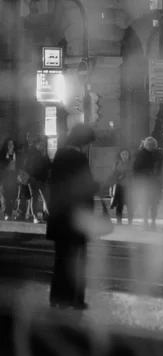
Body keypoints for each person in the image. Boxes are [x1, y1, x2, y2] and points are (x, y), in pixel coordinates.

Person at [46, 123, 98, 310]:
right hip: (76, 217)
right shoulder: (78, 158)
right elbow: (85, 187)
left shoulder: (60, 155)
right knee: (77, 260)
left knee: (61, 259)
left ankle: (58, 297)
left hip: (60, 216)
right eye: (89, 142)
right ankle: (75, 299)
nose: (89, 146)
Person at [133, 137, 162, 229]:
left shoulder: (158, 154)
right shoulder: (140, 154)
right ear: (145, 145)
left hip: (155, 184)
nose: (150, 146)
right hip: (144, 184)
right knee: (145, 204)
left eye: (152, 145)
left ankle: (153, 222)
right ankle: (145, 222)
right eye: (148, 144)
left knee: (154, 205)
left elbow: (161, 168)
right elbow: (135, 169)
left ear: (155, 145)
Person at [23, 137, 51, 224]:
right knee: (34, 198)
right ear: (37, 144)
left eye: (44, 144)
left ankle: (48, 216)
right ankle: (35, 217)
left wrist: (45, 156)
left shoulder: (44, 154)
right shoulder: (32, 153)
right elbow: (28, 166)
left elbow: (48, 165)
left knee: (47, 198)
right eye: (41, 144)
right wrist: (30, 177)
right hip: (34, 179)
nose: (43, 145)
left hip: (43, 180)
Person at [108, 149, 134, 225]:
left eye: (126, 154)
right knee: (119, 205)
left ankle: (130, 222)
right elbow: (113, 175)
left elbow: (135, 174)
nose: (125, 155)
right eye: (123, 154)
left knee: (130, 205)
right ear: (120, 155)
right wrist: (112, 185)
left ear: (129, 155)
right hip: (119, 187)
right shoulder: (117, 163)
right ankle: (119, 222)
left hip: (129, 187)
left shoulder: (132, 163)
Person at [1, 138, 18, 220]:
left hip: (14, 177)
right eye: (9, 144)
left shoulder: (17, 154)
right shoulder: (2, 154)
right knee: (5, 196)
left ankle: (10, 212)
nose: (10, 146)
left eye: (12, 144)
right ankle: (6, 213)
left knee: (13, 196)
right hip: (5, 177)